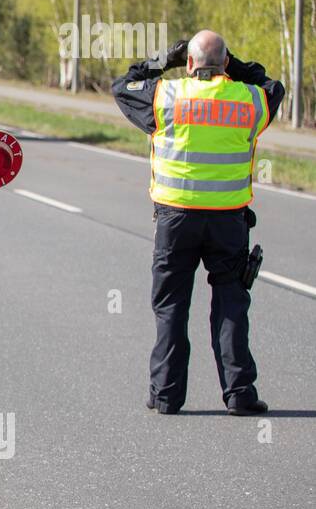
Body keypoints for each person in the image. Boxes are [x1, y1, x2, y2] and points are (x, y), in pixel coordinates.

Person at [113, 30, 284, 415]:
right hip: (229, 221)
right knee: (231, 304)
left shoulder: (165, 97)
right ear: (225, 64)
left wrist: (163, 59)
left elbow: (123, 84)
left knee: (171, 305)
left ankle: (166, 395)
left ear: (188, 63)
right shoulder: (251, 100)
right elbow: (271, 84)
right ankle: (239, 394)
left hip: (176, 220)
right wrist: (229, 65)